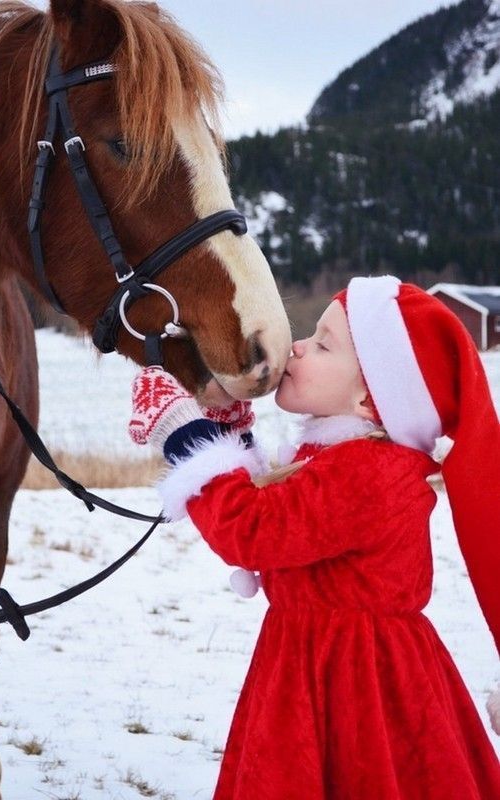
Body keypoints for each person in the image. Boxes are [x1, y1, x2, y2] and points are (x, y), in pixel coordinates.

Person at [129, 274, 500, 799]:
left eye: (323, 344)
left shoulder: (369, 472)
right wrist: (225, 432)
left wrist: (187, 434)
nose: (297, 348)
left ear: (371, 400)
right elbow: (286, 513)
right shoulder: (340, 460)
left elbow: (255, 530)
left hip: (355, 689)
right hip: (319, 665)